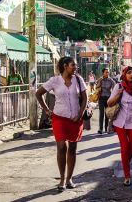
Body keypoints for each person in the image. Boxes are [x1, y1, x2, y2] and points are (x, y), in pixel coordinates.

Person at [35, 57, 87, 191]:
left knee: (73, 148)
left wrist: (80, 114)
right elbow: (38, 94)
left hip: (76, 118)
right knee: (61, 147)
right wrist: (47, 110)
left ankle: (70, 178)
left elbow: (85, 98)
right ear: (65, 66)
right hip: (59, 118)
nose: (76, 67)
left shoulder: (79, 80)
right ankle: (62, 179)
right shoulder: (55, 80)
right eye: (73, 65)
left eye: (75, 65)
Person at [107, 66, 132, 186]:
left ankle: (124, 165)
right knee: (124, 147)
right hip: (119, 121)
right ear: (124, 74)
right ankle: (127, 176)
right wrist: (118, 95)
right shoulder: (119, 86)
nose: (131, 74)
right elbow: (109, 102)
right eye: (129, 72)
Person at [95, 68, 116, 134]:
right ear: (103, 73)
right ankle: (100, 129)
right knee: (101, 113)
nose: (107, 73)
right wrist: (100, 82)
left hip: (108, 99)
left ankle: (106, 128)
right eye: (106, 72)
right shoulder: (100, 79)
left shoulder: (111, 80)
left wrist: (113, 98)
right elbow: (96, 87)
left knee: (107, 113)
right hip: (101, 98)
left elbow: (114, 89)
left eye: (108, 72)